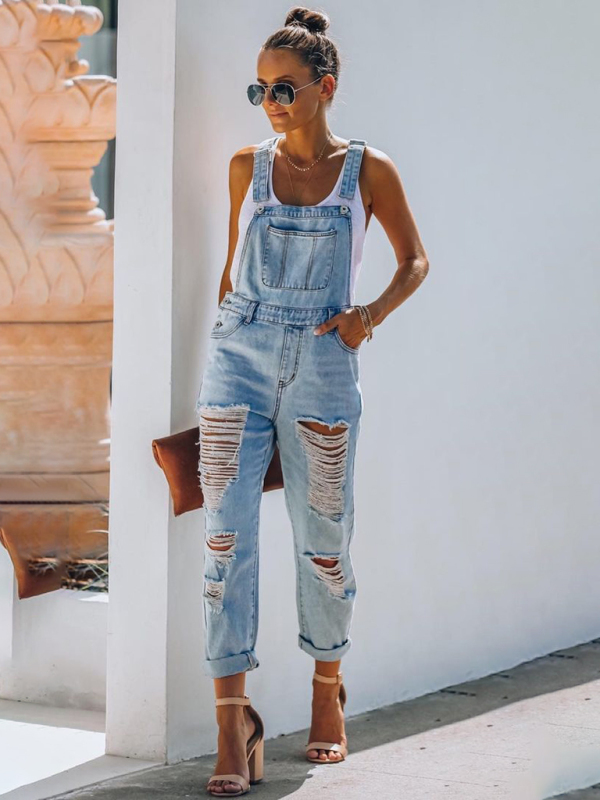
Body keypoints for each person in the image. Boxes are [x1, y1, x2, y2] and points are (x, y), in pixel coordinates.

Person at [196, 6, 429, 796]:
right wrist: (230, 345)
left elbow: (415, 260)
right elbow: (232, 272)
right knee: (224, 542)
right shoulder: (245, 167)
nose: (270, 102)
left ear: (326, 87)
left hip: (325, 363)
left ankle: (327, 691)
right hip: (240, 357)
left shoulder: (369, 171)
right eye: (260, 89)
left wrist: (368, 317)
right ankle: (232, 723)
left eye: (285, 88)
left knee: (323, 538)